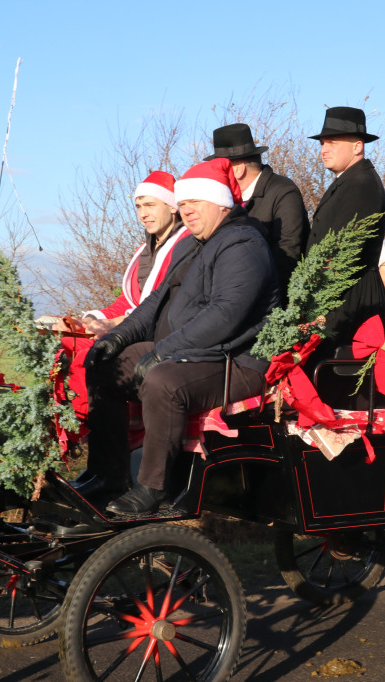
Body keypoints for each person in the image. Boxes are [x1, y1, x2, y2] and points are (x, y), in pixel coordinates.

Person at [83, 158, 280, 514]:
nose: (186, 210)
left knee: (163, 381)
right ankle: (108, 473)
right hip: (193, 351)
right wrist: (118, 338)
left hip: (237, 360)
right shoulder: (197, 244)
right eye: (183, 203)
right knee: (105, 364)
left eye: (195, 202)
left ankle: (153, 488)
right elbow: (157, 300)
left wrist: (164, 352)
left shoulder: (243, 244)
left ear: (221, 203)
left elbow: (226, 314)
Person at [54, 171, 194, 489]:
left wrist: (111, 327)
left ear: (172, 207)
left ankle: (111, 470)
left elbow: (156, 307)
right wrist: (91, 319)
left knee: (99, 362)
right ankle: (99, 463)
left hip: (160, 336)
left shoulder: (184, 246)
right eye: (138, 206)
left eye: (150, 204)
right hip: (133, 327)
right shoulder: (143, 250)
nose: (143, 212)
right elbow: (127, 301)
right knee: (71, 340)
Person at [306, 106, 385, 407]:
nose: (323, 149)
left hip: (351, 304)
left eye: (332, 142)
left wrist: (324, 318)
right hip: (344, 300)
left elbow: (347, 258)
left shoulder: (361, 184)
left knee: (348, 403)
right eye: (321, 143)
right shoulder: (350, 180)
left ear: (357, 146)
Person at [204, 123, 309, 288]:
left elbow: (288, 253)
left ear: (238, 170)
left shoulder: (283, 192)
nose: (216, 176)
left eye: (221, 168)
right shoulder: (227, 202)